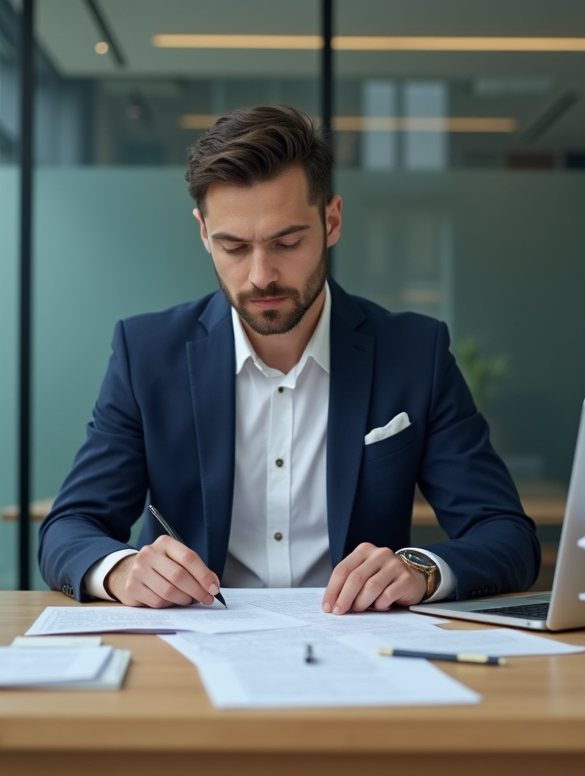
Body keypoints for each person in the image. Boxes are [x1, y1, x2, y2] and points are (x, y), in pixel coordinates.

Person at [38, 105, 539, 614]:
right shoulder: (146, 354)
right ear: (204, 234)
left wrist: (421, 569)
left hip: (360, 652)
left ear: (332, 221)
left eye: (287, 242)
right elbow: (70, 527)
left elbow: (506, 534)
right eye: (234, 246)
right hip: (192, 654)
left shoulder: (413, 353)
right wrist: (121, 570)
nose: (261, 276)